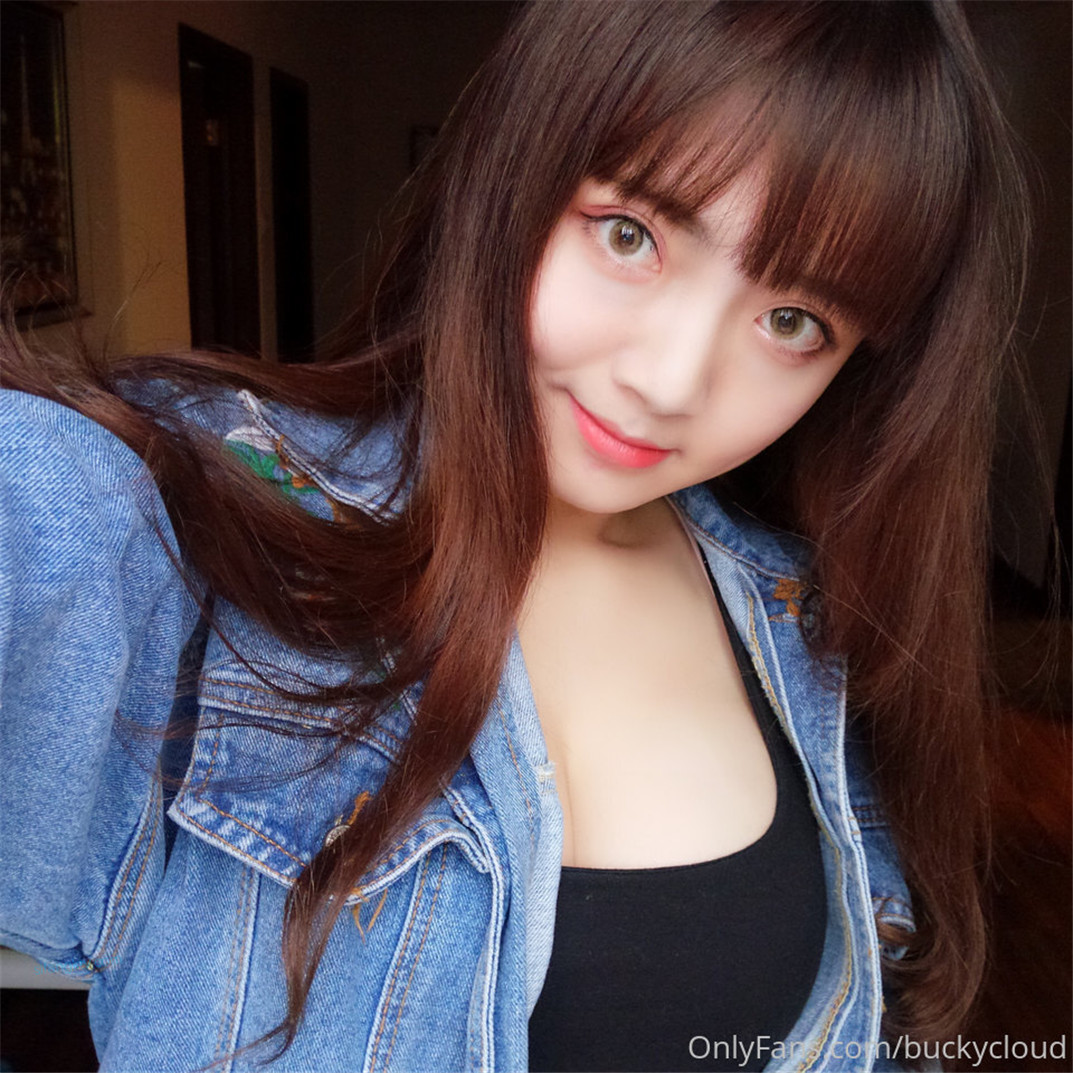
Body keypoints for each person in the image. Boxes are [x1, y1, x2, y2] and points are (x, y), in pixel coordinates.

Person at [0, 2, 1029, 1071]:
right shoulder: (182, 518)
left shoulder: (808, 624)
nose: (669, 381)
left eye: (791, 321)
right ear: (512, 171)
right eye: (629, 234)